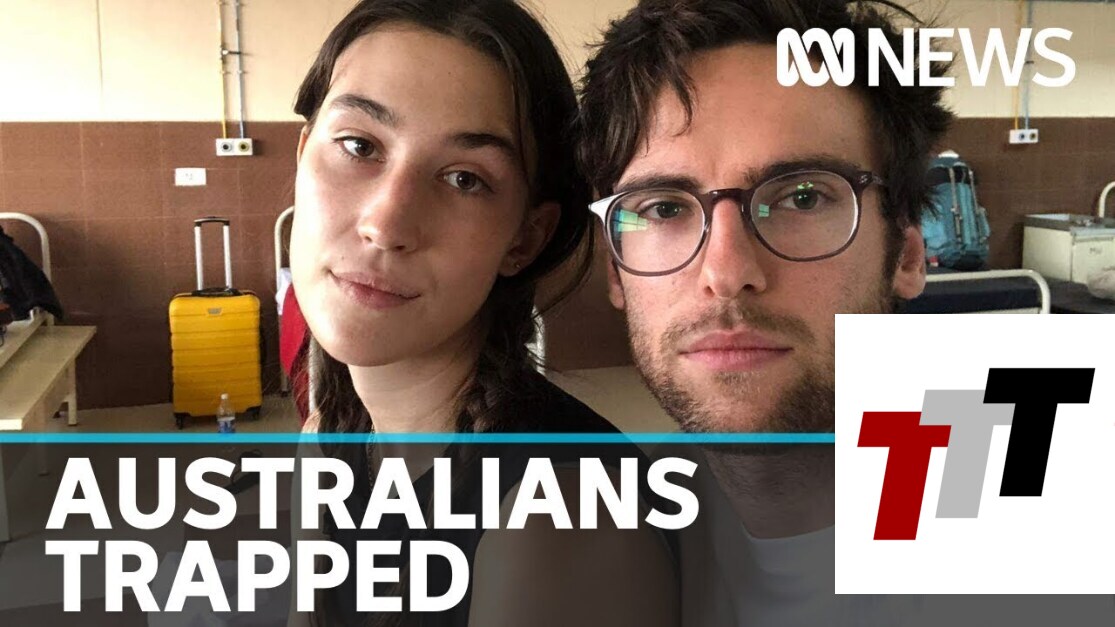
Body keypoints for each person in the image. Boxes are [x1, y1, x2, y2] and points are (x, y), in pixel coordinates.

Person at [286, 1, 676, 625]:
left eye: (464, 179)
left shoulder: (559, 518)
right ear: (304, 154)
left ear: (524, 238)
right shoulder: (329, 436)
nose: (386, 223)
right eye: (359, 146)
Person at [576, 0, 942, 625]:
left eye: (802, 198)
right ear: (616, 270)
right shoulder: (624, 527)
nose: (725, 274)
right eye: (664, 208)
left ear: (906, 255)